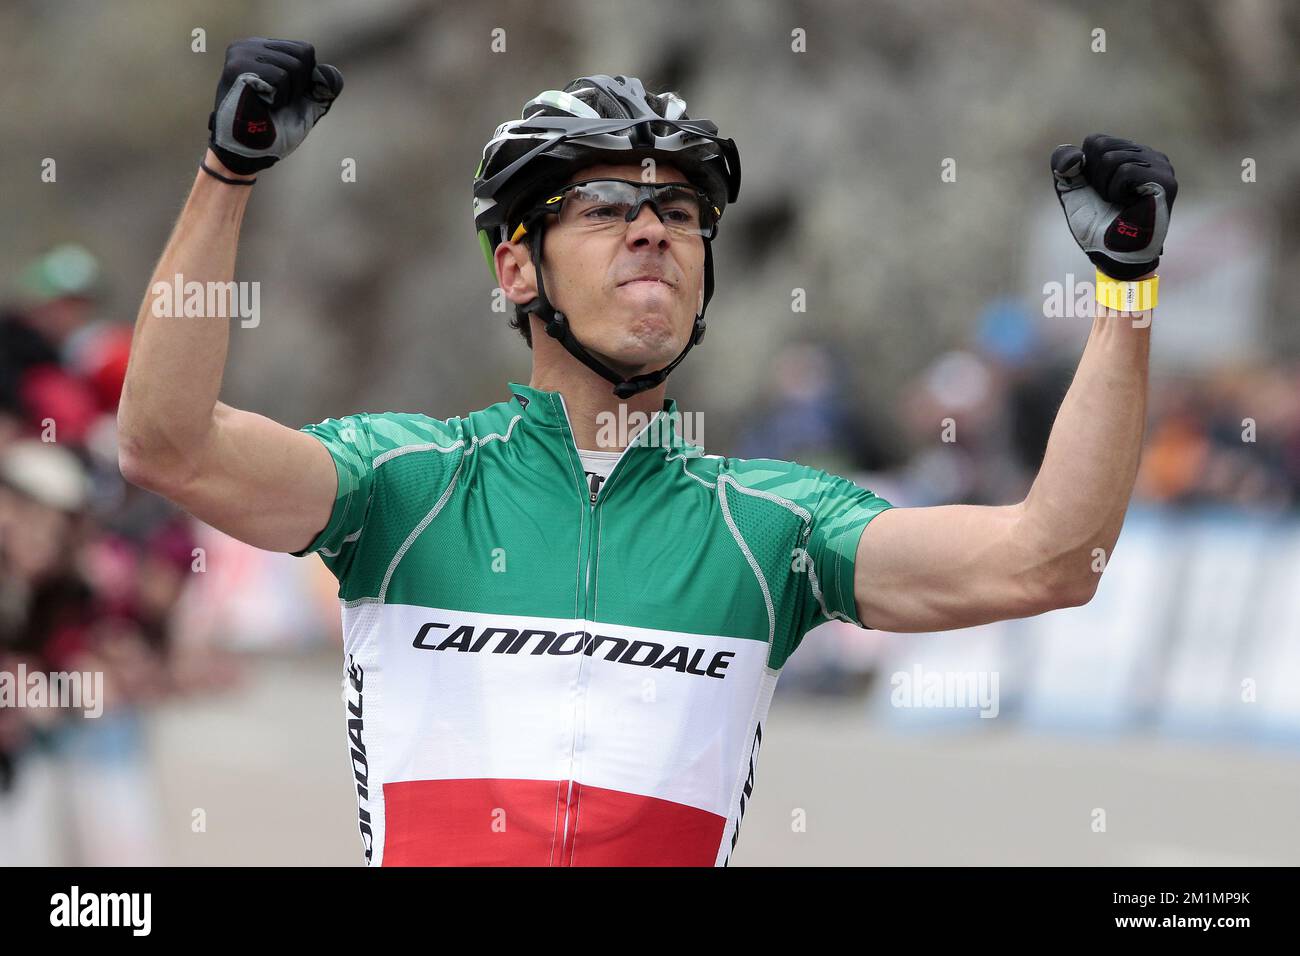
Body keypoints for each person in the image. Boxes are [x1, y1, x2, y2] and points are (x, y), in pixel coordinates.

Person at [117, 38, 1177, 866]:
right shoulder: (409, 485)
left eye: (678, 209)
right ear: (516, 268)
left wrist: (1125, 294)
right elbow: (168, 444)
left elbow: (1051, 559)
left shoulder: (770, 525)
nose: (652, 230)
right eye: (605, 208)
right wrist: (229, 171)